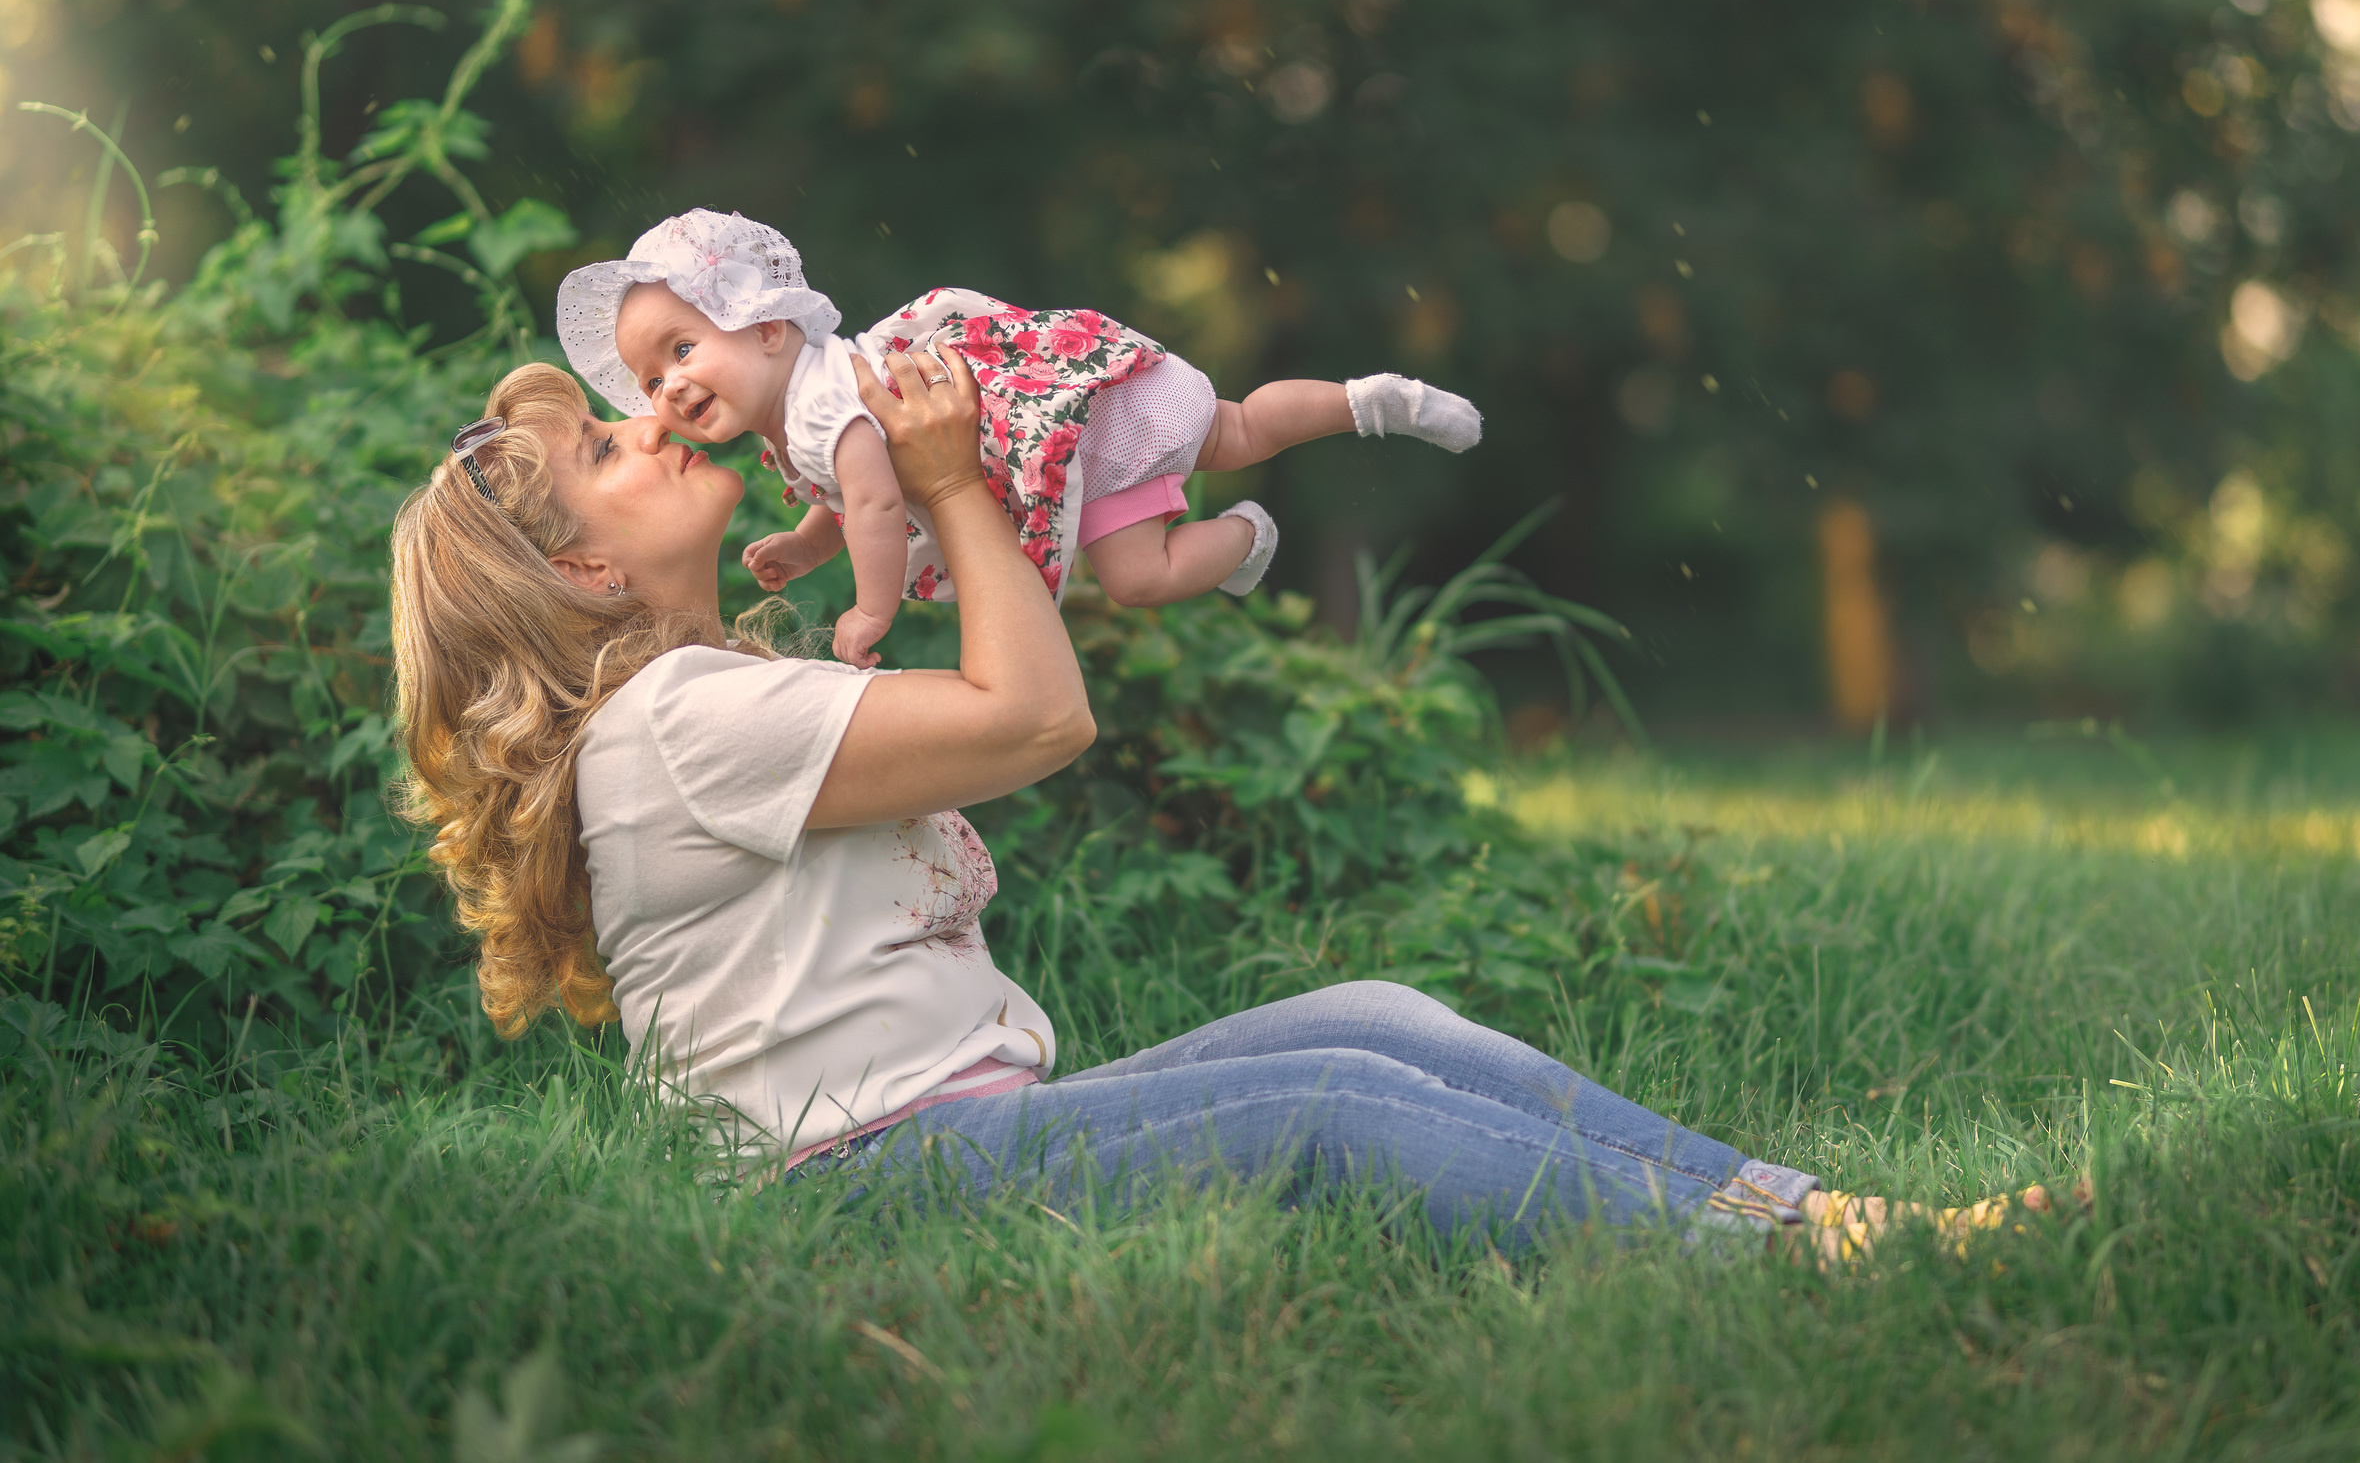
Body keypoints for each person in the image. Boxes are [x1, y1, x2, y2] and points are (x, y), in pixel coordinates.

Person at [389, 345, 2007, 1263]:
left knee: (1371, 1013)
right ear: (589, 567)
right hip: (867, 1187)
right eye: (610, 445)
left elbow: (1003, 690)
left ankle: (1820, 1214)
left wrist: (922, 474)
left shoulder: (693, 705)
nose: (650, 421)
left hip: (935, 1139)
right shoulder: (674, 723)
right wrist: (948, 485)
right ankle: (1802, 1256)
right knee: (1324, 1108)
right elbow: (1035, 712)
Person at [551, 209, 1482, 666]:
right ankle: (1250, 537)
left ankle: (1367, 400)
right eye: (649, 380)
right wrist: (802, 547)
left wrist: (871, 610)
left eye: (682, 348)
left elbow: (876, 502)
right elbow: (846, 502)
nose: (670, 386)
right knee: (1140, 574)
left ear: (762, 327)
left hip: (1064, 426)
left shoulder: (826, 399)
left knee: (1235, 426)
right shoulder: (795, 425)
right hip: (1061, 467)